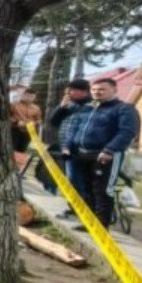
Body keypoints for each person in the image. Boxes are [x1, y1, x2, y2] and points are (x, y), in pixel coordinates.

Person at [66, 77, 140, 228]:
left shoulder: (124, 109)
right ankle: (90, 223)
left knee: (103, 190)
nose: (97, 92)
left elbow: (127, 132)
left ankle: (102, 225)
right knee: (87, 189)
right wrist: (68, 145)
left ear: (114, 90)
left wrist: (109, 150)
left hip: (106, 155)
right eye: (94, 89)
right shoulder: (87, 108)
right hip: (82, 154)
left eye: (102, 89)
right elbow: (74, 128)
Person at [49, 79, 93, 207]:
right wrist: (61, 108)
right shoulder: (68, 104)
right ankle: (74, 207)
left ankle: (87, 207)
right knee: (72, 178)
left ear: (84, 92)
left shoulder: (92, 105)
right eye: (69, 90)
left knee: (84, 180)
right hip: (67, 147)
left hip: (85, 147)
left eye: (73, 90)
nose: (69, 93)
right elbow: (53, 121)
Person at [9, 87, 42, 153]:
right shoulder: (14, 105)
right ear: (23, 95)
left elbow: (39, 120)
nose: (29, 98)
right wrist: (16, 122)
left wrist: (34, 123)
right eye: (27, 96)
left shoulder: (36, 108)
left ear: (34, 97)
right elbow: (8, 116)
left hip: (28, 132)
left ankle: (20, 163)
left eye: (32, 96)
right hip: (15, 131)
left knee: (22, 150)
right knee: (12, 150)